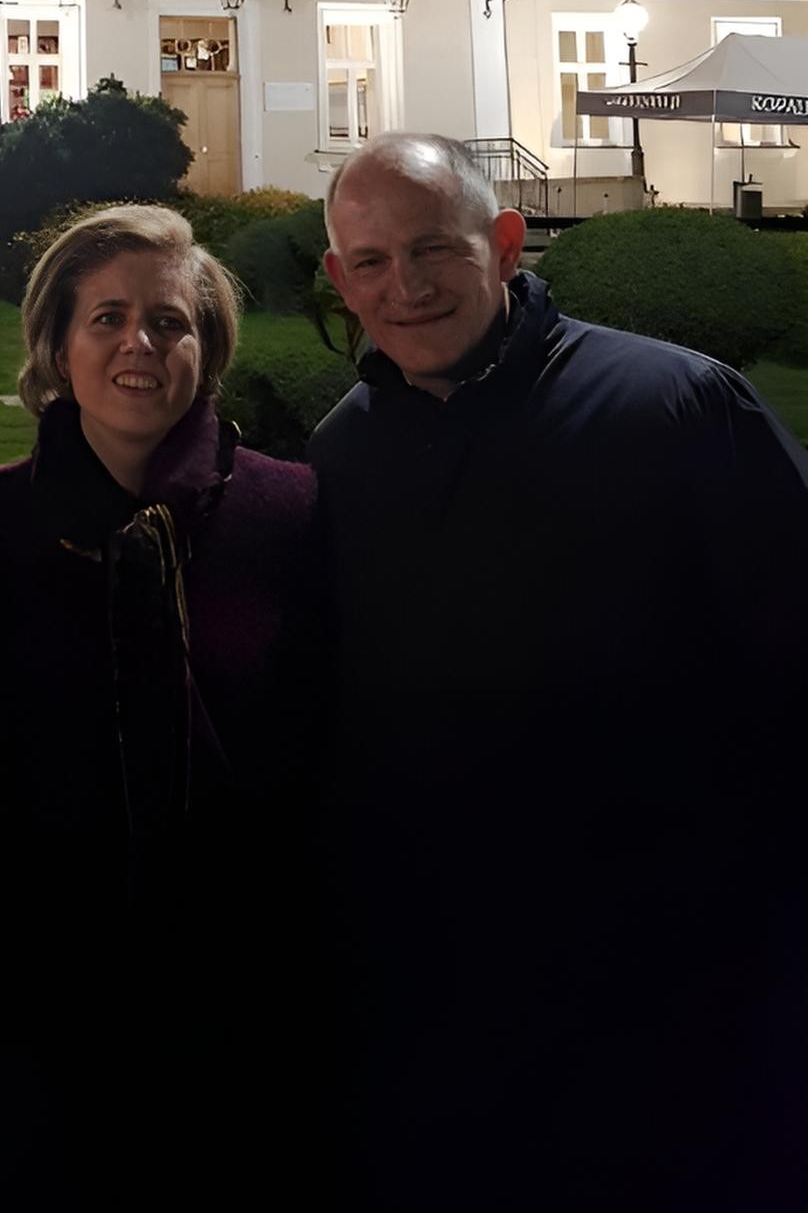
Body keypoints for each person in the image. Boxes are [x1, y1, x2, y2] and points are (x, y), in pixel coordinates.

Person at [314, 132, 808, 1211]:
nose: (407, 287)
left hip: (669, 996)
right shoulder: (340, 456)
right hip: (442, 1004)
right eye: (372, 263)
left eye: (434, 250)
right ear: (338, 280)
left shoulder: (677, 408)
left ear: (504, 243)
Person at [0, 202, 323, 1207]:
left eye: (169, 321)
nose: (138, 345)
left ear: (209, 343)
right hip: (46, 988)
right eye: (106, 318)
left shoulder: (289, 512)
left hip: (241, 983)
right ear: (57, 345)